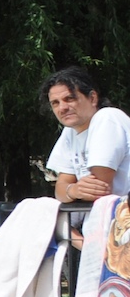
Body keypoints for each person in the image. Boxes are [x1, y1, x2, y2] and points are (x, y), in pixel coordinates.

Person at [42, 66, 130, 202]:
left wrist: (72, 190)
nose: (62, 108)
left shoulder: (107, 118)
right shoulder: (70, 132)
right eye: (55, 103)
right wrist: (73, 190)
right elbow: (60, 189)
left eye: (69, 99)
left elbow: (98, 189)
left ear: (92, 98)